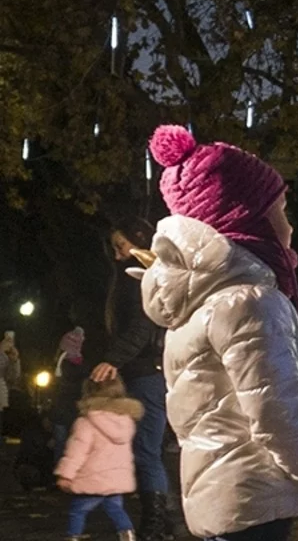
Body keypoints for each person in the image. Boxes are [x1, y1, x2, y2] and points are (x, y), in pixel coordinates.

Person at [137, 125, 298, 541]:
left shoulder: (199, 299)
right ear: (244, 219)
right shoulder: (248, 302)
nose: (291, 227)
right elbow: (275, 409)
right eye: (279, 212)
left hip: (222, 493)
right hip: (258, 495)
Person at [95, 218, 173, 541]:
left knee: (146, 451)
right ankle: (160, 522)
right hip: (142, 373)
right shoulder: (136, 280)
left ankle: (155, 524)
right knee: (145, 450)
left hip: (147, 374)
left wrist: (113, 359)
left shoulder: (145, 281)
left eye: (121, 246)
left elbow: (142, 329)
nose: (117, 255)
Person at [55, 375, 144, 541]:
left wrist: (66, 474)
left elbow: (77, 452)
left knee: (78, 510)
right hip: (116, 478)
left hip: (93, 478)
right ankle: (128, 535)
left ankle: (73, 536)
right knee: (115, 508)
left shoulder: (87, 422)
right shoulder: (126, 421)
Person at [51, 326, 87, 456]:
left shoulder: (60, 367)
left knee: (61, 449)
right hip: (76, 413)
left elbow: (55, 391)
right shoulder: (86, 367)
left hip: (62, 413)